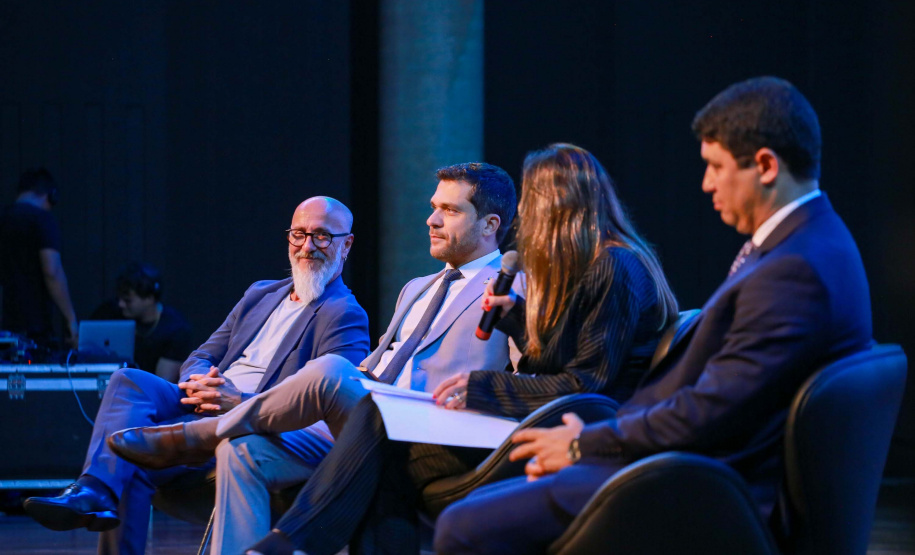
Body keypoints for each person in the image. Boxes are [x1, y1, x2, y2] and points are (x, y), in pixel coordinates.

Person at [433, 77, 874, 555]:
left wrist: (588, 445)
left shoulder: (794, 271)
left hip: (701, 485)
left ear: (765, 165)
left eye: (716, 167)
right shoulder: (809, 245)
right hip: (677, 462)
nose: (707, 184)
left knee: (462, 525)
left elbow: (709, 410)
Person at [234, 144, 678, 555]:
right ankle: (291, 542)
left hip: (575, 430)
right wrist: (519, 324)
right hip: (541, 415)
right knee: (379, 428)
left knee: (380, 432)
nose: (524, 215)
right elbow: (560, 365)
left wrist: (483, 388)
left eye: (533, 201)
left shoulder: (616, 266)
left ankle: (290, 542)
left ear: (560, 204)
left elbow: (588, 385)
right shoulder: (586, 269)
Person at [108, 162, 524, 554]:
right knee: (243, 450)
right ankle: (218, 442)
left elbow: (530, 377)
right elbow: (381, 362)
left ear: (490, 225)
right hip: (362, 419)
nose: (431, 220)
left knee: (329, 368)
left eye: (449, 210)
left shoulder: (514, 286)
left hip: (424, 427)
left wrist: (479, 396)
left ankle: (200, 434)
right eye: (434, 208)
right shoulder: (417, 286)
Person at [23, 196, 370, 555]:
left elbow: (326, 407)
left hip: (249, 423)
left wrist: (237, 402)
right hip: (199, 402)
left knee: (129, 460)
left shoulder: (344, 314)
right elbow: (203, 354)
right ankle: (93, 490)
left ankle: (97, 491)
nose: (308, 246)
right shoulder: (260, 293)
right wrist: (201, 381)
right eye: (299, 234)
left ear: (347, 245)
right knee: (127, 381)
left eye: (322, 236)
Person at [0, 168, 78, 345]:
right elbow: (52, 271)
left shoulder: (3, 219)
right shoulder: (41, 219)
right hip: (35, 325)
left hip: (5, 323)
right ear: (50, 195)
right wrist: (70, 318)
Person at [91, 262, 193, 382]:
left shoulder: (175, 329)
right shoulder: (109, 313)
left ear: (149, 298)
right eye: (119, 299)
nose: (121, 304)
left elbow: (162, 383)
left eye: (128, 301)